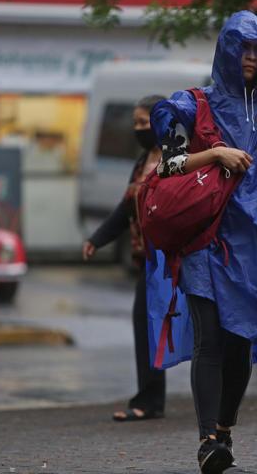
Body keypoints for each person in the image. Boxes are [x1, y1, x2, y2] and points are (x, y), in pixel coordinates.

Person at [149, 10, 257, 473]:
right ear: (226, 49)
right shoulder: (196, 102)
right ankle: (208, 441)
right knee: (208, 336)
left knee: (240, 340)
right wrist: (210, 150)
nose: (249, 57)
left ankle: (224, 429)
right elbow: (165, 166)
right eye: (241, 47)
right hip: (207, 238)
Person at [82, 94, 168, 422]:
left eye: (143, 123)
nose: (137, 129)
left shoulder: (180, 158)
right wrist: (97, 239)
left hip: (177, 261)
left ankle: (218, 401)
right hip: (148, 261)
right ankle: (149, 401)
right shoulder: (142, 160)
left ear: (161, 121)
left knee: (199, 331)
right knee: (145, 325)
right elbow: (125, 209)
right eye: (134, 123)